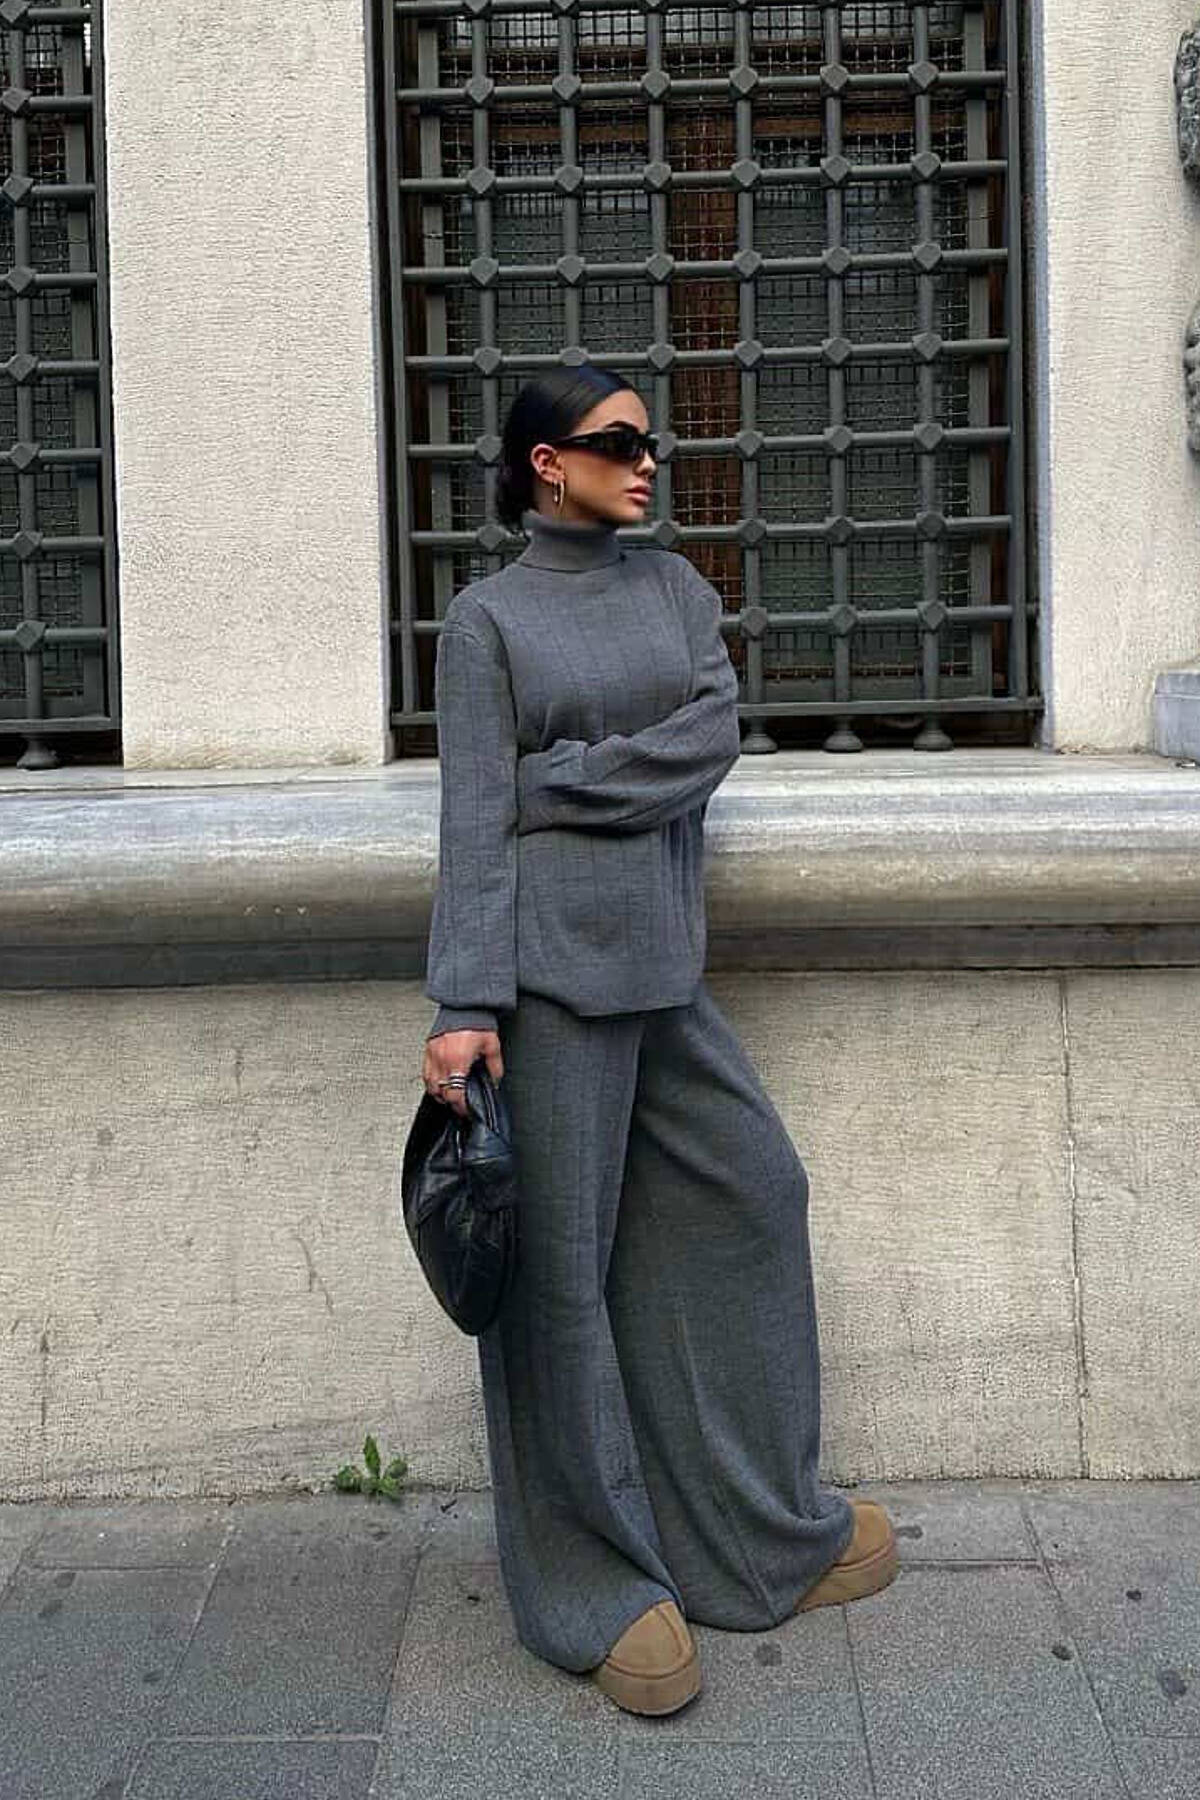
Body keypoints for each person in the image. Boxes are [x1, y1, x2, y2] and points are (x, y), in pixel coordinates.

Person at [420, 363, 897, 1717]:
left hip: (666, 975)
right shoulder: (487, 623)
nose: (647, 463)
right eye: (619, 441)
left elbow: (710, 738)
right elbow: (474, 822)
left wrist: (559, 779)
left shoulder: (677, 590)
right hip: (548, 992)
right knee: (559, 1285)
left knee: (754, 1195)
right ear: (544, 464)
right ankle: (595, 1587)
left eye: (649, 443)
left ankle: (755, 1533)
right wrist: (464, 1007)